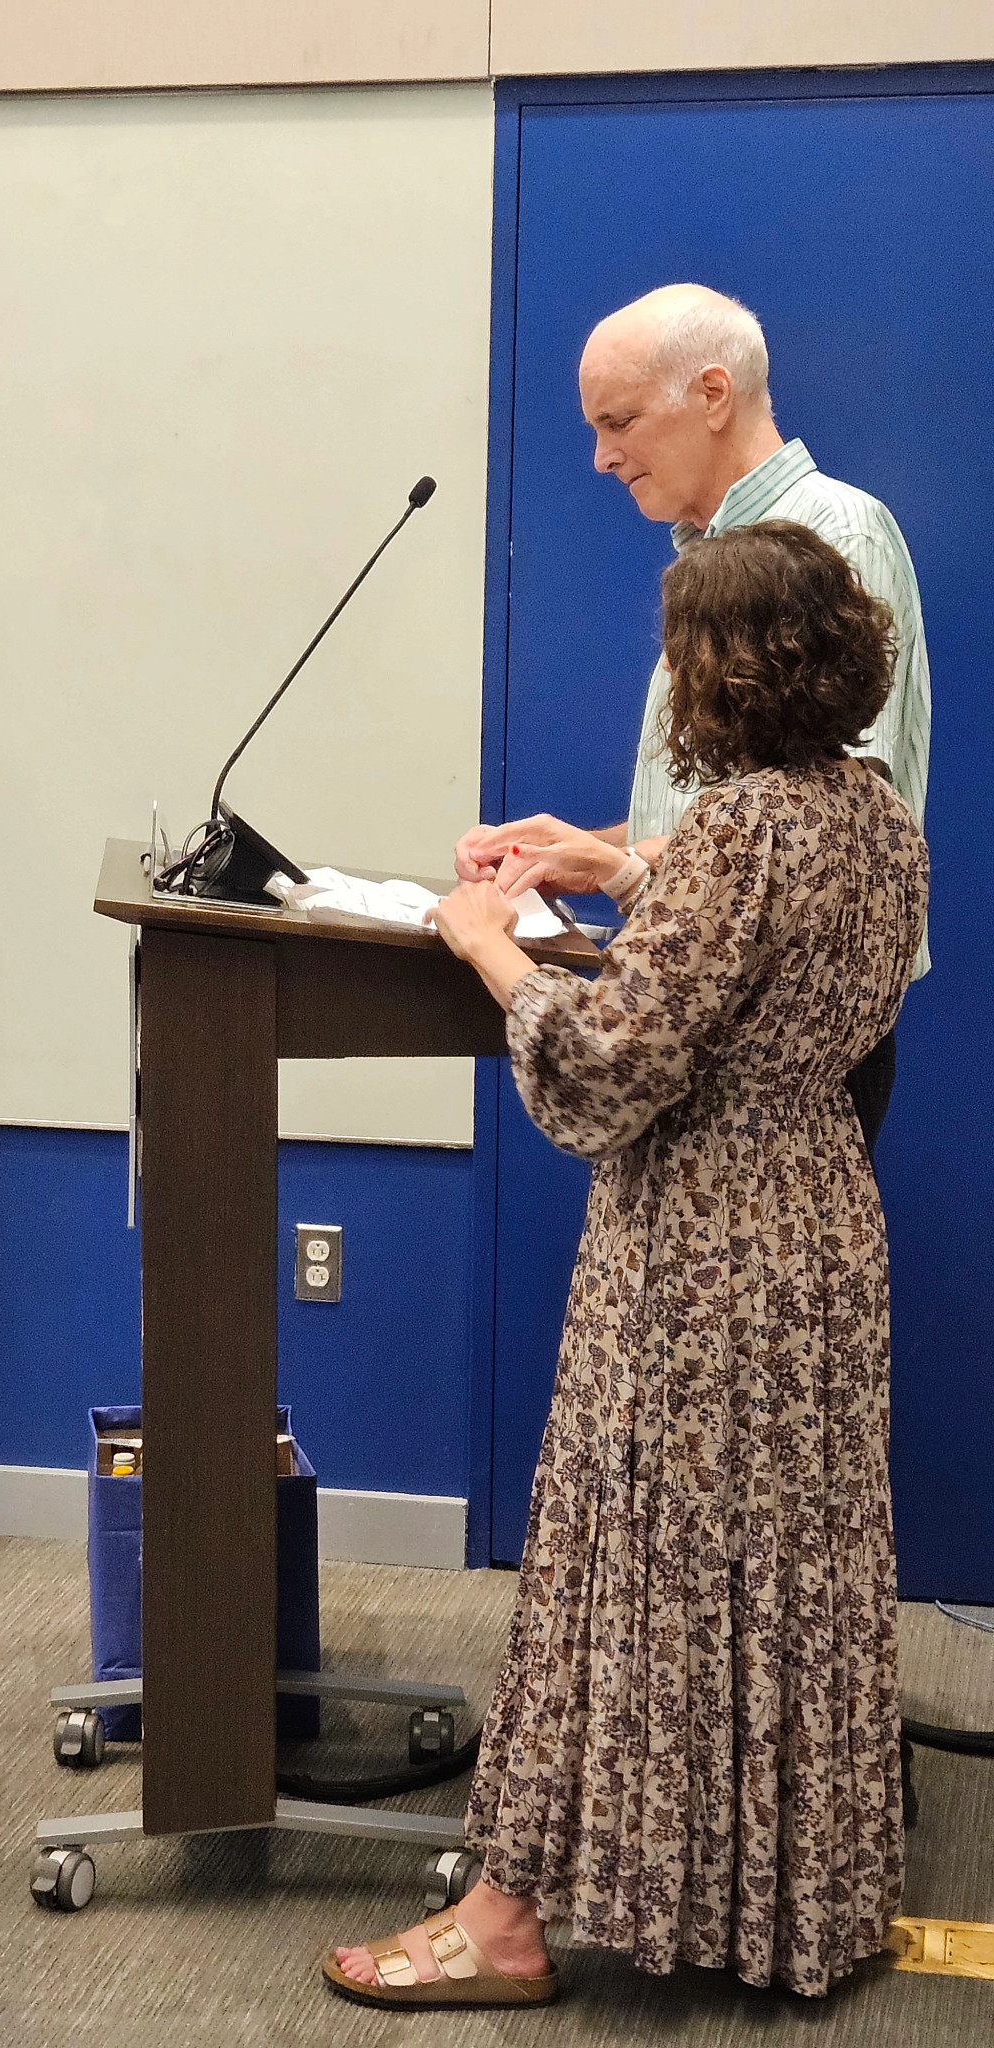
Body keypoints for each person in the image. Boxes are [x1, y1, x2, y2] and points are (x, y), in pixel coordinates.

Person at [323, 522, 927, 2008]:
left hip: (701, 1247)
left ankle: (508, 1921)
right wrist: (612, 874)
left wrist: (488, 944)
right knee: (790, 1570)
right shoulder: (879, 817)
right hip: (824, 1227)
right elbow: (763, 966)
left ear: (714, 677)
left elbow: (601, 1074)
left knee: (632, 1561)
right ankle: (796, 1909)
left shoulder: (736, 832)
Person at [457, 284, 930, 1158]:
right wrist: (598, 856)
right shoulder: (717, 562)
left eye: (620, 421)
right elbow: (733, 821)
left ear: (713, 395)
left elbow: (821, 837)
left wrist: (612, 872)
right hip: (690, 1021)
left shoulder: (835, 539)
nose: (601, 457)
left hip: (770, 1056)